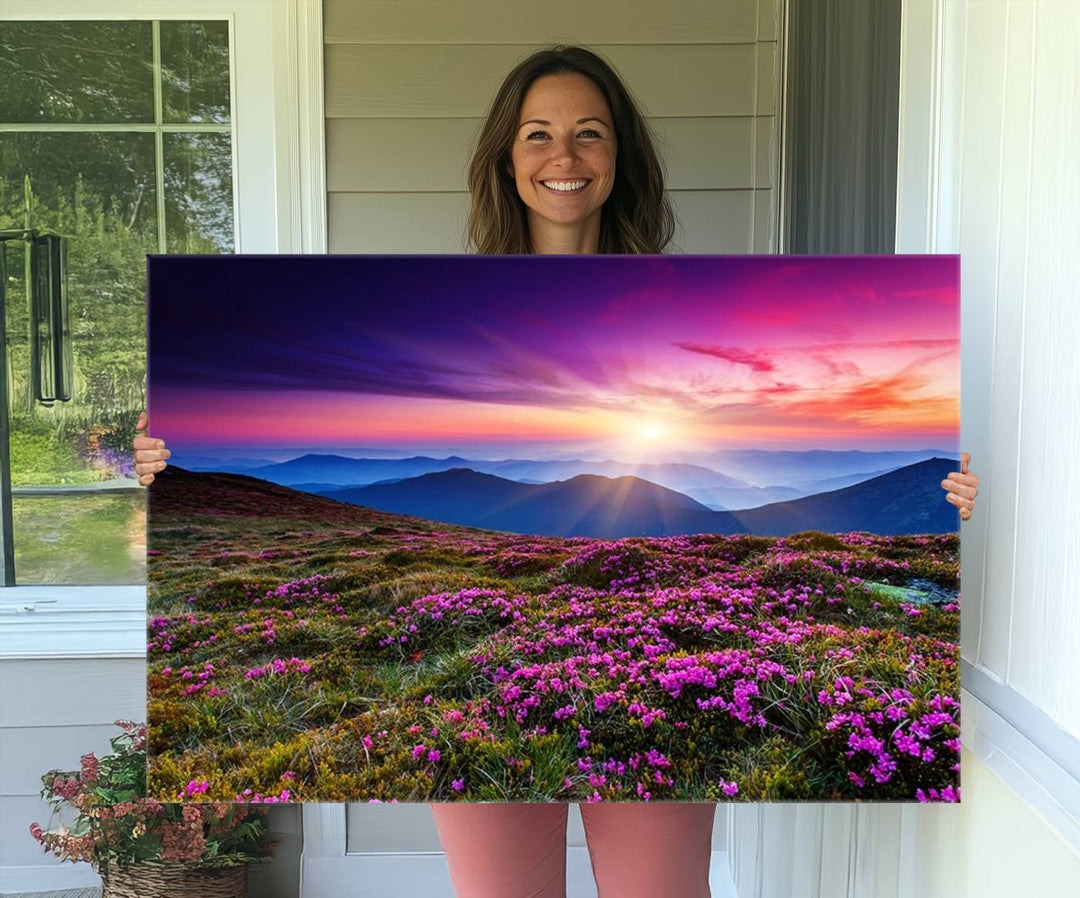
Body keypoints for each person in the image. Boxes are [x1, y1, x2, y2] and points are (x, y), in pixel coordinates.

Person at [133, 45, 979, 898]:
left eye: (589, 134)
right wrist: (174, 464)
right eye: (538, 134)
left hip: (658, 653)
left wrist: (945, 504)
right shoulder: (453, 310)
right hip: (492, 666)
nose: (563, 157)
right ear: (507, 157)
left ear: (620, 158)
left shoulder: (685, 301)